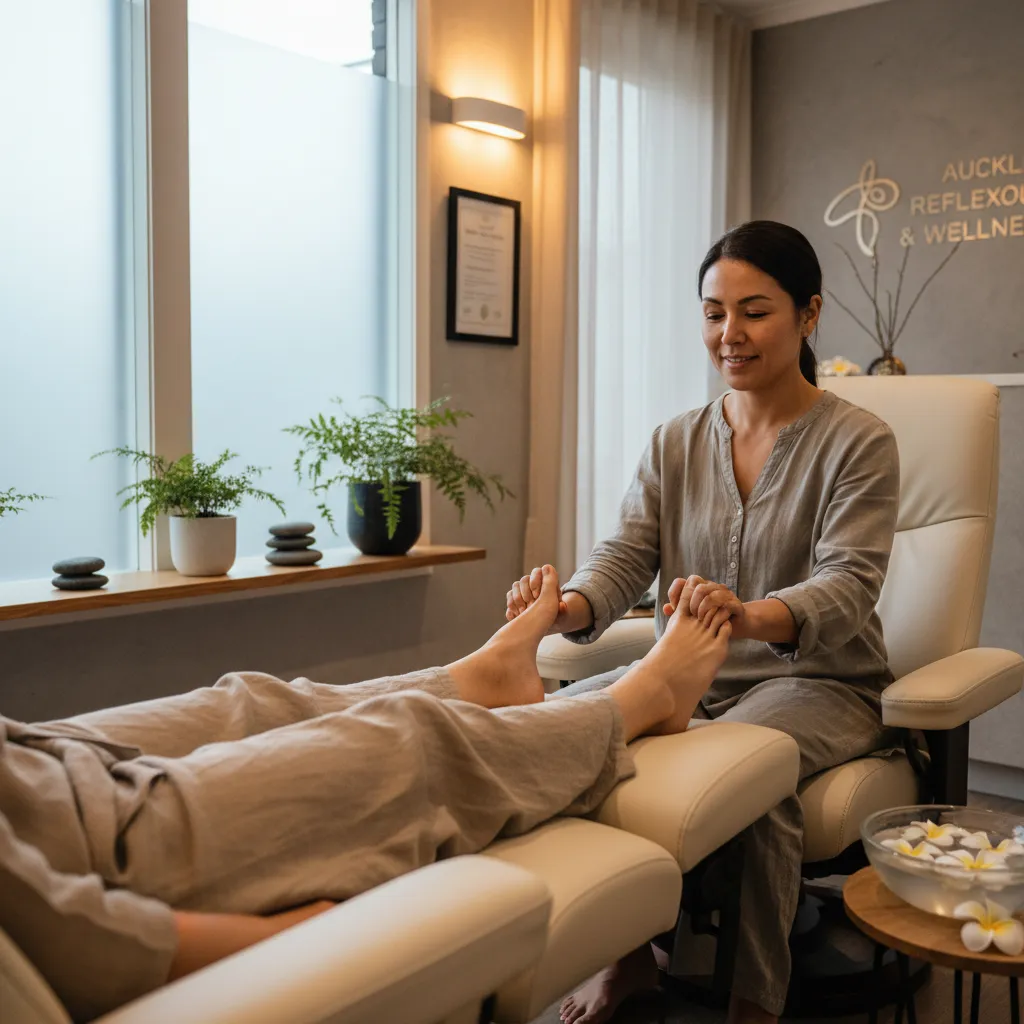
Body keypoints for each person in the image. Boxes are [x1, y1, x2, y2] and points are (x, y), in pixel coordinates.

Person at [0, 565, 732, 1023]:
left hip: (31, 764)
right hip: (89, 849)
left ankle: (477, 679)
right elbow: (69, 942)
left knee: (246, 704)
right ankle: (644, 698)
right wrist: (281, 934)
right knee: (402, 747)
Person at [507, 221, 901, 1024]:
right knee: (564, 727)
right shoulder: (674, 440)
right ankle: (626, 963)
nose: (731, 334)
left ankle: (755, 1001)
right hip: (687, 674)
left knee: (746, 772)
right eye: (714, 312)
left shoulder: (860, 440)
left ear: (809, 314)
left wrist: (746, 616)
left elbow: (849, 585)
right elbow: (625, 555)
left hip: (819, 682)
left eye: (754, 312)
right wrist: (566, 607)